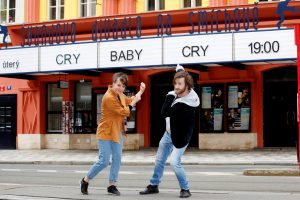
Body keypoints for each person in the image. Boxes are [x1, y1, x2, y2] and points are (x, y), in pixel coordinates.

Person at [80, 72, 146, 196]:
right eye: (118, 85)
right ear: (113, 84)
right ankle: (85, 180)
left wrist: (141, 92)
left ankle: (112, 185)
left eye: (123, 86)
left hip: (116, 132)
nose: (120, 88)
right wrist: (134, 102)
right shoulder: (108, 97)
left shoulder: (120, 94)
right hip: (105, 132)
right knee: (104, 161)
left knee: (117, 159)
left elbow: (130, 100)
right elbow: (125, 112)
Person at [139, 65, 200, 198]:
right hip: (168, 133)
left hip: (182, 136)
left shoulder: (187, 103)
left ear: (187, 85)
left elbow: (164, 112)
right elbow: (180, 70)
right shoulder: (180, 89)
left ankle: (185, 189)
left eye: (179, 84)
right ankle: (154, 185)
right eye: (175, 83)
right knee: (160, 160)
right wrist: (178, 68)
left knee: (174, 162)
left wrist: (171, 95)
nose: (176, 86)